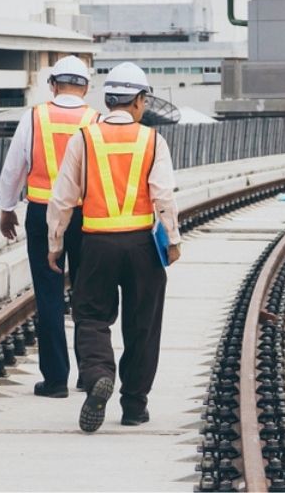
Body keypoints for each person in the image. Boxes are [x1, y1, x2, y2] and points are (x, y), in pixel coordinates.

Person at [45, 61, 182, 433]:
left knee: (90, 317)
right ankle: (135, 405)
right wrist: (172, 239)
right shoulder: (153, 140)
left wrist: (55, 243)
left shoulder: (84, 138)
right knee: (143, 325)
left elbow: (62, 198)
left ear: (108, 100)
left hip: (96, 244)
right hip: (141, 245)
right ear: (139, 101)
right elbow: (164, 196)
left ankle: (98, 374)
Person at [0, 55, 99, 399]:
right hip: (85, 216)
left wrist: (7, 208)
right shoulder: (95, 121)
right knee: (87, 295)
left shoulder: (35, 117)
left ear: (53, 85)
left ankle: (55, 381)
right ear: (85, 87)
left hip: (41, 213)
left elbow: (14, 168)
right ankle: (89, 373)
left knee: (49, 295)